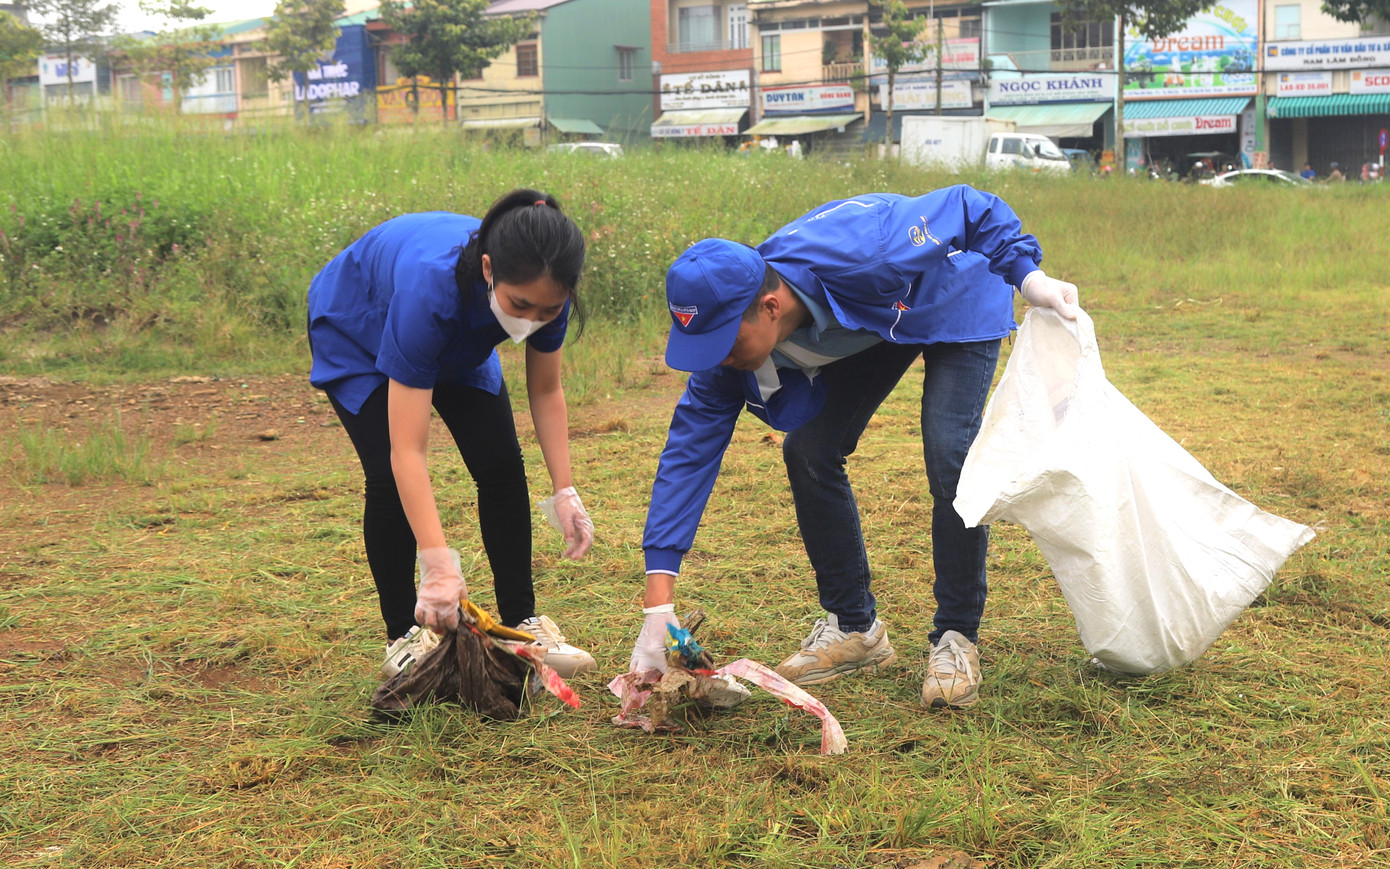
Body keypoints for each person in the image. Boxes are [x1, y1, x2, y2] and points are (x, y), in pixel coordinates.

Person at [629, 185, 1079, 709]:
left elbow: (969, 206)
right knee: (809, 450)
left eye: (724, 345)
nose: (716, 360)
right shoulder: (728, 347)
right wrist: (657, 610)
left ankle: (956, 636)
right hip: (876, 319)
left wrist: (1030, 277)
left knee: (948, 454)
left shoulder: (870, 248)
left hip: (956, 296)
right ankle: (854, 628)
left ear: (770, 307)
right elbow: (687, 458)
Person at [308, 189, 598, 680]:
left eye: (546, 312)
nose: (530, 321)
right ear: (489, 270)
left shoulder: (549, 292)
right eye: (521, 305)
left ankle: (520, 622)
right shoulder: (430, 292)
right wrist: (438, 563)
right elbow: (408, 449)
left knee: (501, 465)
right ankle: (403, 635)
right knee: (385, 474)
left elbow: (547, 391)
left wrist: (564, 489)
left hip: (459, 332)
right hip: (362, 325)